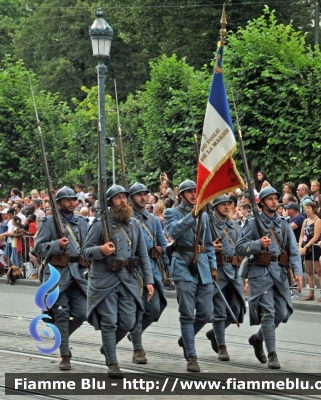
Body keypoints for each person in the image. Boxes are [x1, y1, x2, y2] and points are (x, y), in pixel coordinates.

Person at [82, 184, 154, 378]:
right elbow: (85, 251)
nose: (122, 200)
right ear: (110, 202)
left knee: (129, 320)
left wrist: (149, 280)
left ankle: (108, 347)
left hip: (128, 279)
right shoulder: (99, 224)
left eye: (124, 197)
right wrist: (101, 250)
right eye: (117, 197)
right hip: (105, 279)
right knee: (109, 322)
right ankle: (113, 363)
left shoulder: (134, 224)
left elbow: (142, 255)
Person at [235, 187, 302, 370]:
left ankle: (257, 338)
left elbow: (293, 250)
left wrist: (298, 271)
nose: (274, 202)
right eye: (270, 199)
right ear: (262, 202)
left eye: (276, 198)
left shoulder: (283, 223)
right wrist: (257, 244)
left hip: (279, 273)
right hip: (260, 273)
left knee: (282, 313)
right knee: (269, 313)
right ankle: (272, 353)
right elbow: (240, 248)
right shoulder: (252, 223)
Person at [164, 179, 216, 373]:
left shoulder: (204, 214)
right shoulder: (172, 212)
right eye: (190, 192)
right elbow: (172, 231)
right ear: (181, 195)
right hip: (182, 264)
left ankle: (187, 338)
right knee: (187, 313)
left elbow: (208, 245)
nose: (194, 195)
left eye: (196, 192)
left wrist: (213, 266)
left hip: (202, 265)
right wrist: (193, 215)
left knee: (205, 312)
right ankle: (192, 356)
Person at [35, 186, 89, 371]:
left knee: (82, 313)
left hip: (79, 275)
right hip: (57, 275)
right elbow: (38, 248)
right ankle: (65, 354)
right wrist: (56, 244)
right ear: (58, 203)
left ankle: (60, 336)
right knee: (62, 314)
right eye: (67, 200)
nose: (71, 203)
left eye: (73, 199)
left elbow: (88, 246)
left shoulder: (82, 222)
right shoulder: (48, 222)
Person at [127, 182, 168, 363]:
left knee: (154, 309)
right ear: (132, 197)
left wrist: (165, 262)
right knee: (138, 310)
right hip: (133, 271)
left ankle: (134, 334)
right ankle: (138, 349)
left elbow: (163, 245)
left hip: (151, 269)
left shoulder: (153, 220)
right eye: (139, 195)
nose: (143, 197)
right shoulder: (126, 220)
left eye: (145, 194)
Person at [206, 195, 246, 361]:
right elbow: (200, 245)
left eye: (227, 204)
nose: (226, 206)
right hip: (219, 271)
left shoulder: (235, 226)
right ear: (215, 207)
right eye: (222, 204)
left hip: (235, 272)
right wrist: (210, 247)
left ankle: (215, 332)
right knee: (220, 311)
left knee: (237, 310)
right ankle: (222, 346)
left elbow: (242, 246)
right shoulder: (209, 225)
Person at [298, 201, 321, 302]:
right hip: (306, 248)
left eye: (308, 208)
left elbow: (316, 237)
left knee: (319, 271)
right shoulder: (305, 220)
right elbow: (302, 235)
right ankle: (311, 294)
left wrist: (306, 246)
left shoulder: (318, 221)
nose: (306, 210)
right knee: (309, 272)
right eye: (306, 208)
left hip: (314, 248)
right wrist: (300, 246)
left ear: (314, 209)